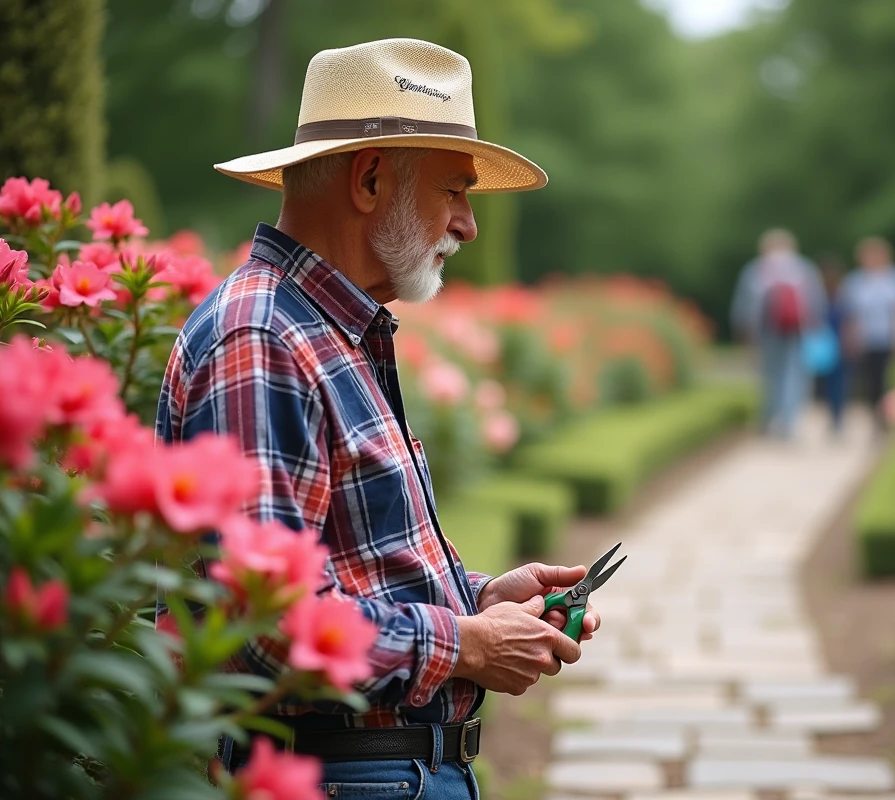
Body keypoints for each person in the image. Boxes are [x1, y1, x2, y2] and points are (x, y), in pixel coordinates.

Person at [155, 39, 600, 798]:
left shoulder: (322, 329)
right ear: (368, 180)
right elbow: (266, 623)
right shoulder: (263, 338)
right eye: (455, 190)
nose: (469, 225)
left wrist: (480, 600)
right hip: (344, 773)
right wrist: (464, 643)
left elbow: (348, 565)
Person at [730, 228, 827, 439]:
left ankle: (770, 419)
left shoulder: (756, 270)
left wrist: (743, 334)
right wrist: (816, 328)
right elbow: (817, 302)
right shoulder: (803, 268)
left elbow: (743, 307)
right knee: (794, 375)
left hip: (766, 331)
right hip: (797, 331)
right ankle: (788, 423)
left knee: (770, 376)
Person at [838, 236, 895, 433]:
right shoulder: (855, 282)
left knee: (890, 380)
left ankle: (890, 419)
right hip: (866, 341)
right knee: (871, 382)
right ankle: (875, 419)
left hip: (891, 339)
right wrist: (849, 339)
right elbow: (849, 315)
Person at [816, 255, 849, 438]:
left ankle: (837, 419)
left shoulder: (844, 295)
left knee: (838, 384)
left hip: (838, 345)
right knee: (828, 385)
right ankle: (833, 418)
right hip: (823, 345)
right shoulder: (817, 296)